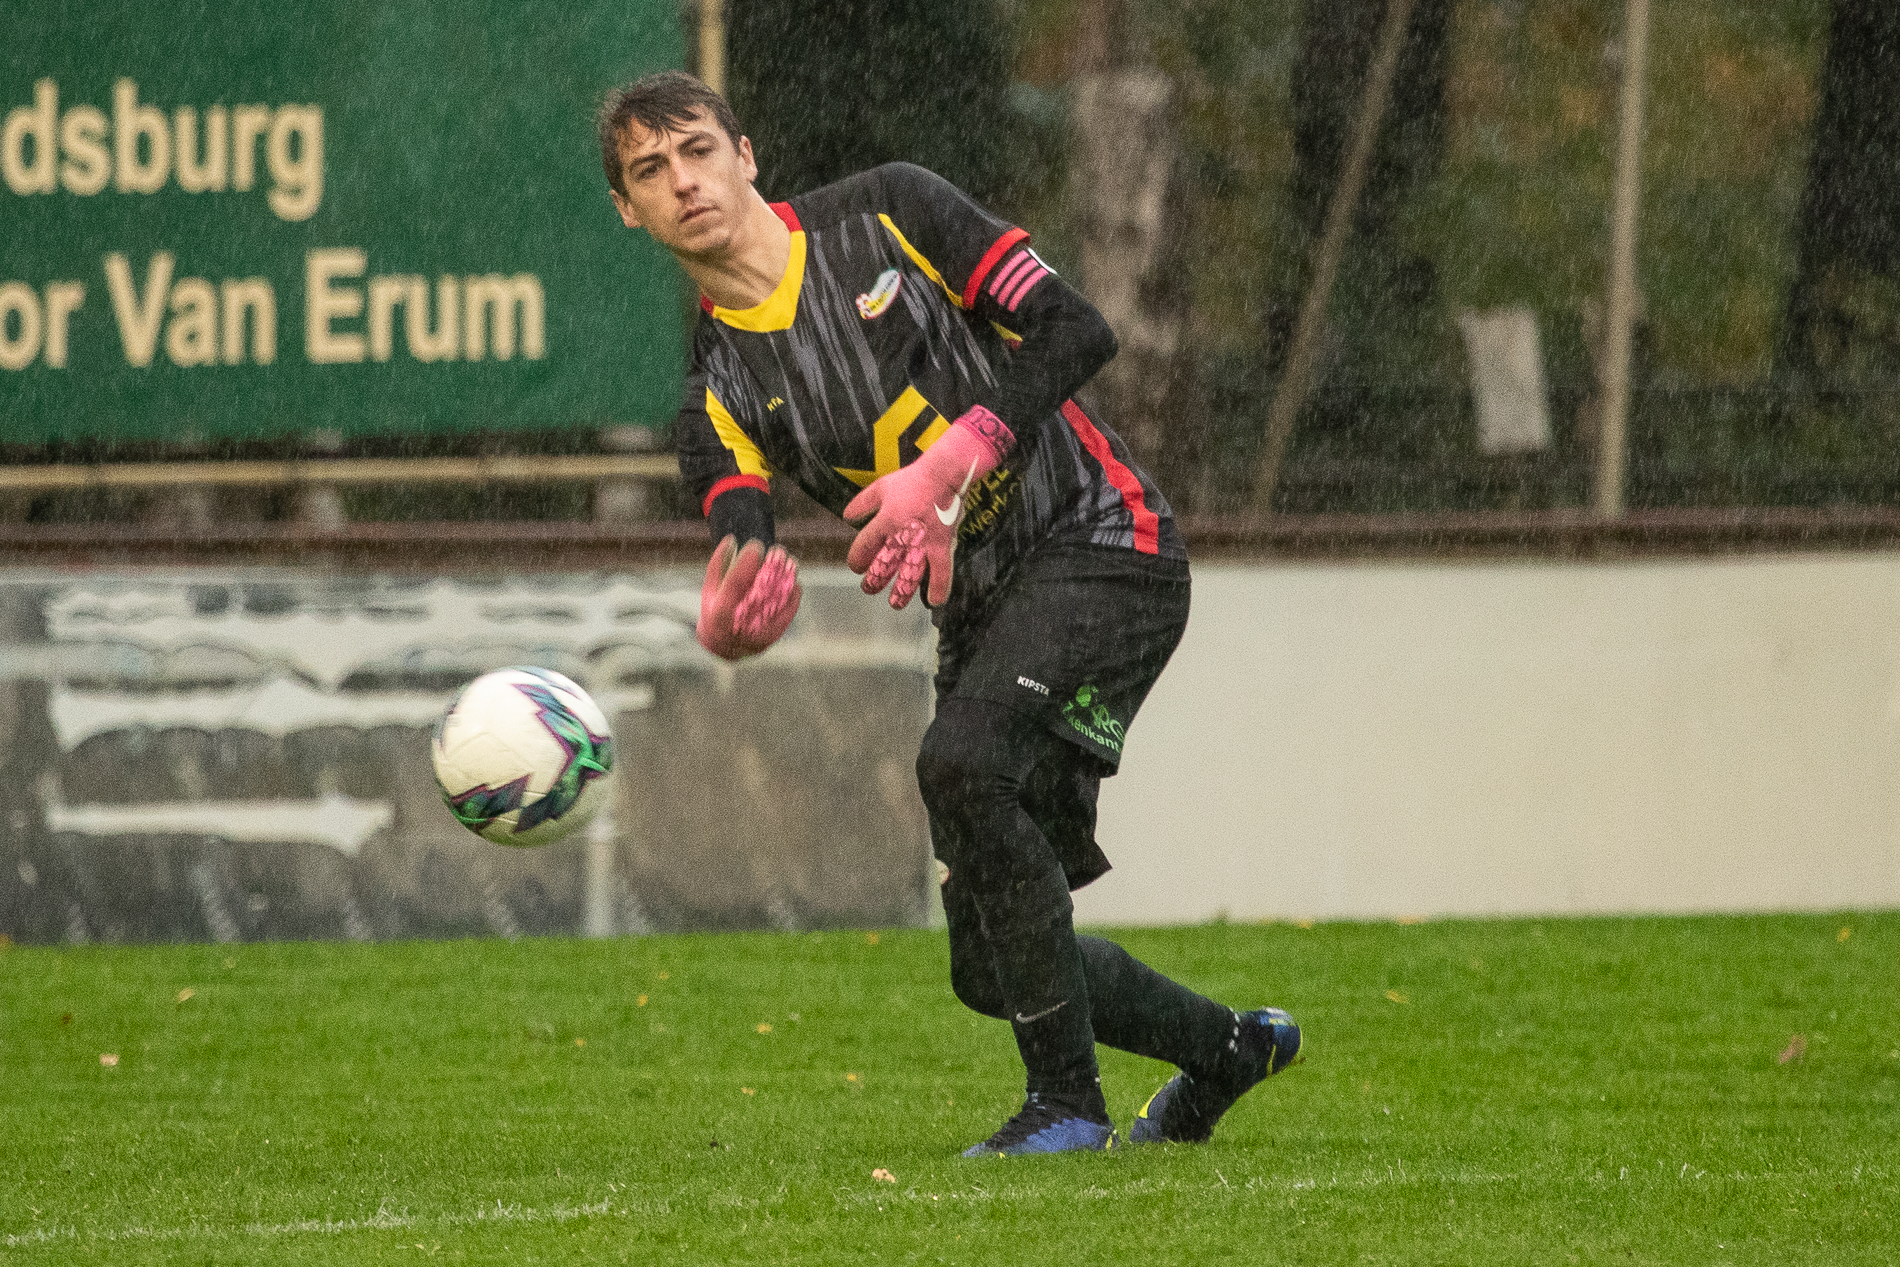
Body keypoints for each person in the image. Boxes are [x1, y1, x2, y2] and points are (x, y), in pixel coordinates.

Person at [598, 70, 1302, 1156]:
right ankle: (1226, 1051)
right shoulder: (712, 392)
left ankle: (1066, 1108)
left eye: (697, 150)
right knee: (989, 966)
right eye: (651, 170)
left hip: (1105, 540)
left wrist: (949, 463)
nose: (683, 180)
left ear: (745, 156)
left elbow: (1076, 329)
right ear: (627, 211)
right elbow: (742, 540)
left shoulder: (892, 209)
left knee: (962, 763)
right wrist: (730, 623)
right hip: (983, 615)